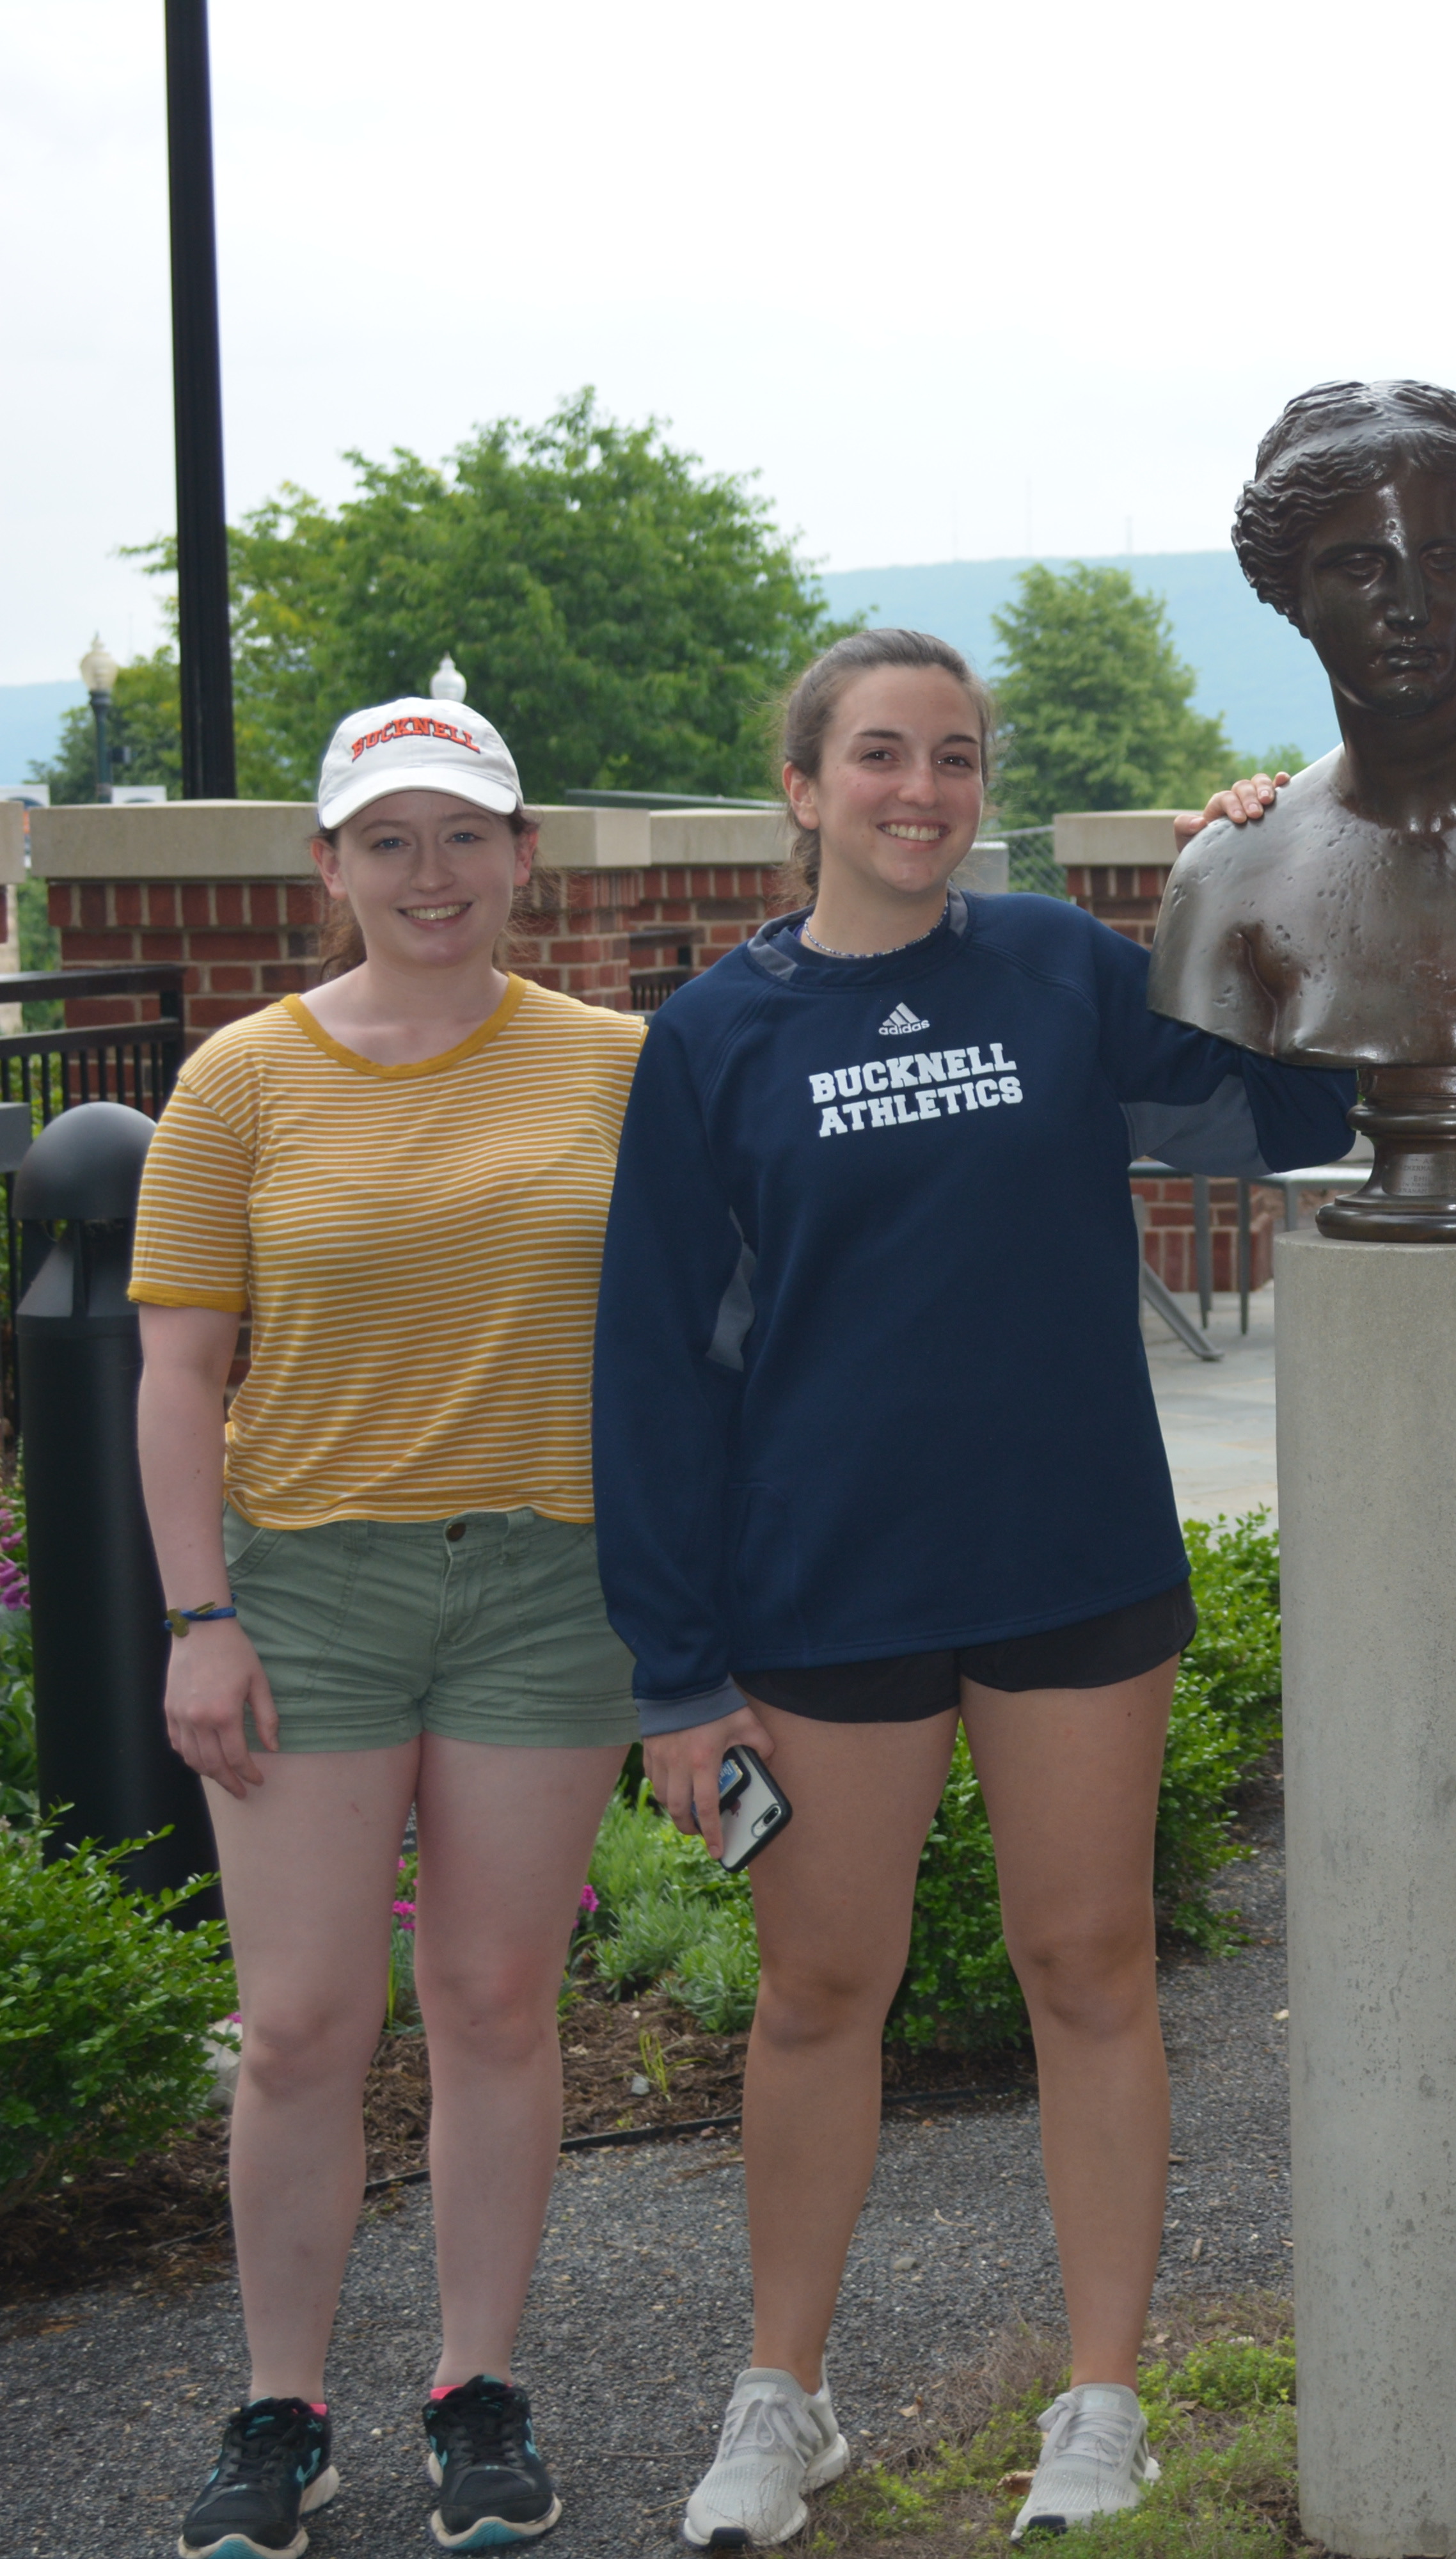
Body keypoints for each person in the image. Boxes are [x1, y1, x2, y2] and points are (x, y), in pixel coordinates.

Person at [604, 626, 1456, 2549]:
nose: (921, 791)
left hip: (1068, 1559)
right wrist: (675, 1673)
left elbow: (1289, 1095)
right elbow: (656, 1371)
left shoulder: (1054, 973)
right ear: (803, 786)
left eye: (955, 757)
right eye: (880, 757)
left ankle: (1103, 2406)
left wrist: (1271, 868)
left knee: (1086, 1972)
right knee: (821, 1990)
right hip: (824, 1586)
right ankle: (784, 2396)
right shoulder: (712, 1040)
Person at [138, 695, 646, 2558]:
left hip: (547, 1586)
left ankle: (475, 2388)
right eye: (389, 840)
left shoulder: (617, 1067)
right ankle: (283, 2411)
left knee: (497, 2000)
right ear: (329, 866)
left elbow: (699, 1331)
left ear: (525, 856)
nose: (430, 875)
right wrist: (201, 1615)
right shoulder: (240, 1080)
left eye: (466, 836)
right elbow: (180, 1375)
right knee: (296, 2026)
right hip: (311, 1594)